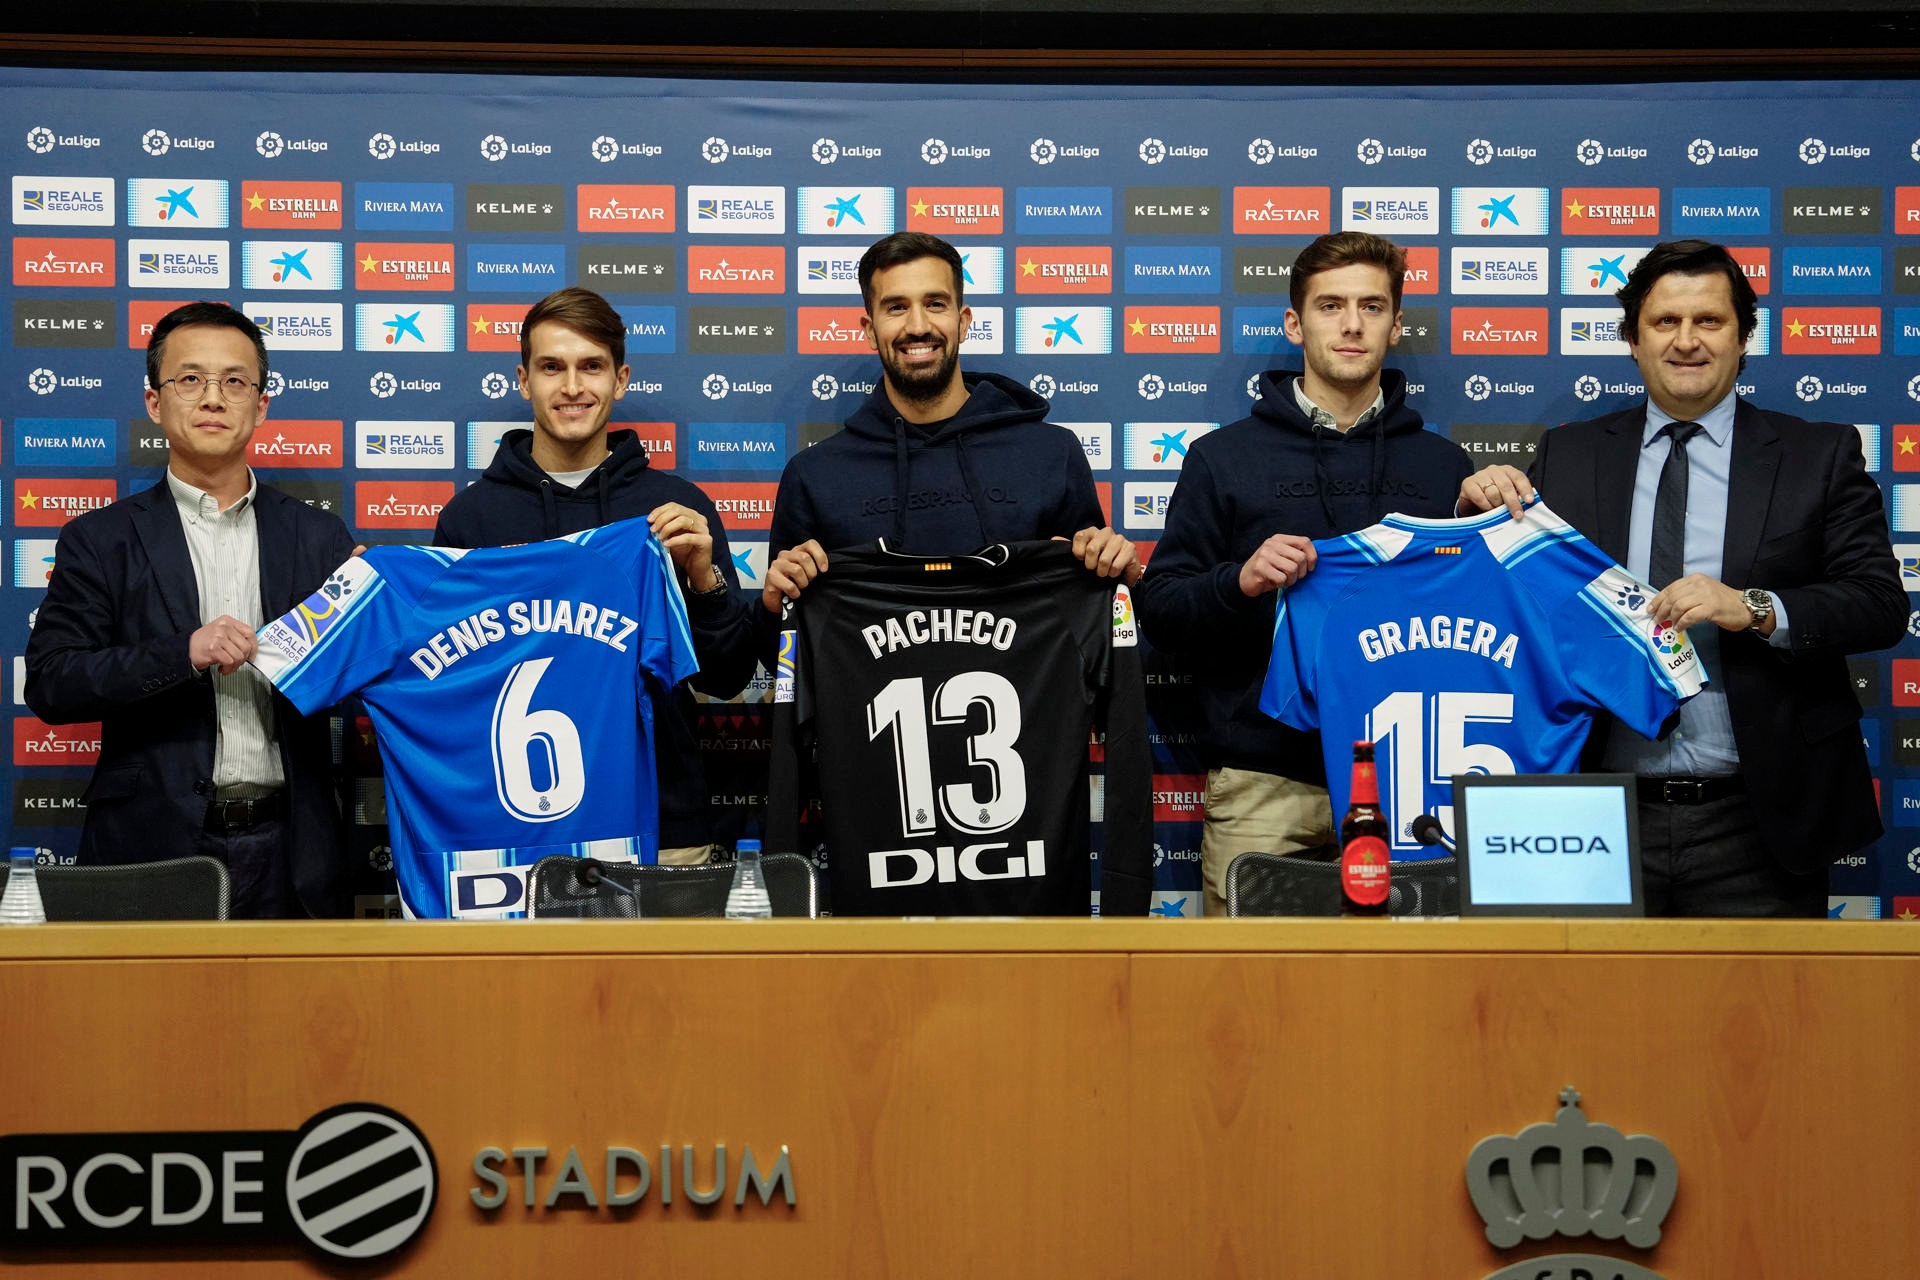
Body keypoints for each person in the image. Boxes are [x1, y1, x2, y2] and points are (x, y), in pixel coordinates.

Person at [1457, 239, 1904, 916]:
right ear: (1633, 340)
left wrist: (1752, 606)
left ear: (1744, 337)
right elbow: (1510, 612)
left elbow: (1877, 605)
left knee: (1761, 1022)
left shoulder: (1820, 454)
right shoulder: (1569, 455)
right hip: (1596, 817)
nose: (1686, 341)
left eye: (1709, 321)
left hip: (1759, 821)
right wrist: (1473, 519)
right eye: (1665, 322)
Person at [1137, 231, 1473, 916]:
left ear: (1396, 322)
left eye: (1371, 306)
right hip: (1264, 784)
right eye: (1330, 306)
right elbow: (1163, 608)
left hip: (1411, 782)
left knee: (1409, 1001)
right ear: (1296, 323)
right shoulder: (1222, 458)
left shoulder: (1444, 468)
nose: (1351, 324)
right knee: (1249, 999)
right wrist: (1240, 582)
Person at [24, 302, 357, 918]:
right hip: (152, 847)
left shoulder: (319, 538)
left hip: (294, 848)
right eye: (190, 379)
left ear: (260, 406)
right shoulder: (100, 540)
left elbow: (361, 688)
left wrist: (371, 621)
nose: (213, 398)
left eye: (235, 382)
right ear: (155, 402)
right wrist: (183, 653)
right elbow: (51, 683)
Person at [433, 286, 758, 863]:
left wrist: (704, 583)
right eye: (552, 367)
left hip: (665, 820)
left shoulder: (676, 507)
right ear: (524, 379)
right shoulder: (473, 517)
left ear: (621, 378)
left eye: (592, 367)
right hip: (515, 822)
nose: (573, 387)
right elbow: (447, 687)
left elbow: (731, 675)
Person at [761, 230, 1139, 612]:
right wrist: (776, 606)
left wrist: (1116, 574)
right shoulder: (814, 475)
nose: (918, 325)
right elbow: (785, 650)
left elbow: (1094, 617)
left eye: (935, 303)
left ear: (963, 320)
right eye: (896, 307)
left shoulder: (1052, 453)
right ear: (869, 330)